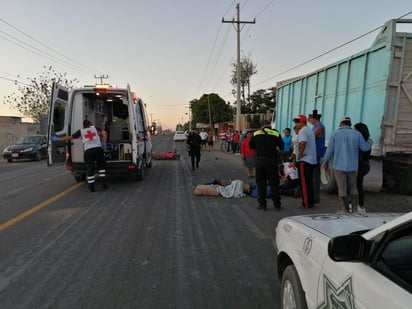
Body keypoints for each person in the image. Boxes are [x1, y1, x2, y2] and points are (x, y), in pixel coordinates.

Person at [323, 116, 372, 213]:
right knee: (353, 187)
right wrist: (370, 142)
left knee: (342, 188)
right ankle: (354, 210)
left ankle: (344, 209)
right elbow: (365, 148)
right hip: (353, 167)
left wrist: (325, 162)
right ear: (350, 124)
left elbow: (329, 151)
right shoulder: (357, 134)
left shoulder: (335, 134)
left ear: (341, 124)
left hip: (338, 167)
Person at [51, 119, 108, 192]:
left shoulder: (81, 131)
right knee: (101, 166)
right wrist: (104, 143)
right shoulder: (94, 128)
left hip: (89, 150)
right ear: (90, 124)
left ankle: (91, 187)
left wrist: (57, 139)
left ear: (83, 126)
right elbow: (104, 132)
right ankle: (104, 184)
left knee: (90, 168)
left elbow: (70, 137)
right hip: (98, 149)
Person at [249, 119, 284, 210]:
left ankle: (262, 204)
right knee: (274, 183)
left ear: (261, 126)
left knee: (261, 183)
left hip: (260, 161)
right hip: (271, 160)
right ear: (269, 125)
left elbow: (251, 145)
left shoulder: (256, 133)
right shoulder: (275, 133)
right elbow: (281, 146)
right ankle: (277, 204)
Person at [293, 114, 317, 209]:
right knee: (309, 182)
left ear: (303, 122)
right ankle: (310, 202)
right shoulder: (309, 130)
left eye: (297, 121)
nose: (296, 123)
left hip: (304, 160)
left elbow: (303, 143)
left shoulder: (302, 131)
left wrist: (300, 154)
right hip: (311, 160)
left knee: (304, 183)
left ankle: (306, 203)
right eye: (295, 122)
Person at [308, 110, 326, 203]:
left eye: (310, 118)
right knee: (313, 175)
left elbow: (311, 137)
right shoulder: (316, 126)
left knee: (315, 175)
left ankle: (315, 196)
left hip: (316, 153)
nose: (309, 120)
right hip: (314, 153)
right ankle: (314, 195)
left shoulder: (319, 126)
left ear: (314, 119)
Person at [354, 123, 372, 213]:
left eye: (355, 130)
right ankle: (361, 206)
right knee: (359, 185)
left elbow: (360, 155)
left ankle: (354, 205)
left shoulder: (359, 142)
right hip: (365, 165)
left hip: (359, 166)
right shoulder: (368, 141)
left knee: (354, 185)